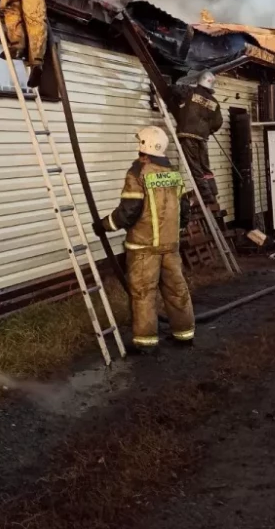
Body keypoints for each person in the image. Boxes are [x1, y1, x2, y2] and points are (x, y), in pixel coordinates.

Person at [95, 126, 195, 354]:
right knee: (177, 291)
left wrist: (104, 225)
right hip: (171, 247)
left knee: (143, 294)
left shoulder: (138, 173)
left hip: (143, 248)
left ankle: (146, 342)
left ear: (145, 146)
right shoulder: (173, 174)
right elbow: (185, 210)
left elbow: (128, 211)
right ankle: (184, 334)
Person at [173, 70, 223, 223]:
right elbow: (217, 123)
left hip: (188, 135)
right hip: (202, 138)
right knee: (204, 167)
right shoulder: (214, 102)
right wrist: (207, 130)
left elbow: (175, 89)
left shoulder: (191, 92)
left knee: (195, 168)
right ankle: (212, 191)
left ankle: (206, 197)